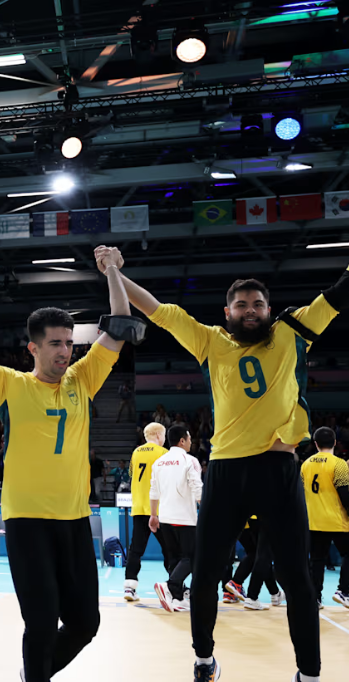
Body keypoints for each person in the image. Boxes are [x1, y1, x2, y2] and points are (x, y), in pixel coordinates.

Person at [110, 243, 348, 682]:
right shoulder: (209, 341)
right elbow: (158, 311)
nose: (251, 310)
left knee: (297, 578)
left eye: (258, 304)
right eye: (242, 304)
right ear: (227, 312)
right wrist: (114, 272)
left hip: (278, 470)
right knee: (205, 574)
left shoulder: (294, 331)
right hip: (226, 471)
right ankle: (203, 660)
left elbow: (339, 293)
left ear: (270, 309)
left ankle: (310, 673)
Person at [0, 249, 132, 682]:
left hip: (74, 518)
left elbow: (120, 322)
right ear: (33, 347)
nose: (65, 351)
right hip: (27, 520)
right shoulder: (10, 384)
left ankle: (33, 675)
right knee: (42, 622)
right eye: (55, 344)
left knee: (86, 624)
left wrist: (114, 271)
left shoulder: (83, 379)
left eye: (69, 343)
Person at [149, 425, 203, 613]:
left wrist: (153, 515)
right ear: (182, 441)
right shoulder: (190, 461)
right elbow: (197, 488)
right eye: (189, 439)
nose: (190, 442)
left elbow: (153, 492)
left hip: (164, 517)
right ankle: (170, 585)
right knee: (191, 557)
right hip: (185, 518)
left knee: (175, 558)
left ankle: (178, 598)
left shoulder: (159, 463)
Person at [301, 426, 349, 609]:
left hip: (314, 521)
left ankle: (315, 597)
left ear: (316, 444)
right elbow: (344, 495)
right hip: (337, 520)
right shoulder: (339, 464)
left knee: (317, 560)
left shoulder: (305, 464)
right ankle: (343, 591)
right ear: (335, 442)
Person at [124, 422, 170, 601]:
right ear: (158, 435)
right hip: (158, 510)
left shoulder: (136, 453)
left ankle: (129, 586)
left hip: (138, 507)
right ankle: (175, 585)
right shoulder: (164, 453)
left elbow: (131, 474)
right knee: (170, 549)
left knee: (135, 549)